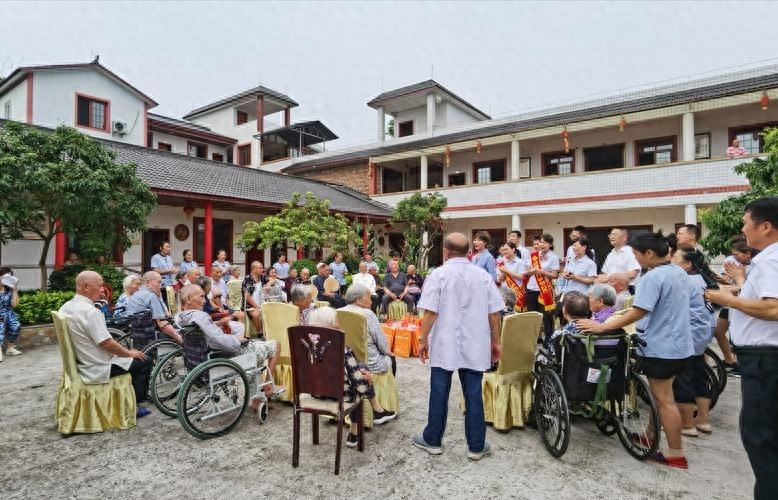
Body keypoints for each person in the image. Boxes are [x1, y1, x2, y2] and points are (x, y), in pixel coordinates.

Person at [578, 231, 693, 469]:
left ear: (649, 253)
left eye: (636, 254)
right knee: (662, 398)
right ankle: (650, 436)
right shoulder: (678, 272)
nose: (636, 259)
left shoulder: (653, 277)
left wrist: (602, 327)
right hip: (680, 344)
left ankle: (675, 453)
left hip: (661, 346)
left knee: (665, 401)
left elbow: (638, 311)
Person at [705, 197, 778, 499]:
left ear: (766, 226)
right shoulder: (766, 259)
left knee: (761, 436)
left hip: (766, 360)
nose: (743, 228)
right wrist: (739, 283)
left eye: (746, 222)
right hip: (762, 359)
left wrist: (728, 300)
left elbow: (773, 308)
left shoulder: (772, 259)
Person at [413, 232, 503, 460]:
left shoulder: (438, 275)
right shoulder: (483, 276)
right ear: (468, 252)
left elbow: (430, 312)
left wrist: (423, 340)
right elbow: (494, 313)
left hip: (445, 342)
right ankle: (476, 445)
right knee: (473, 393)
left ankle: (433, 439)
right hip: (475, 343)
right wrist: (496, 342)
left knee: (439, 392)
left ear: (445, 251)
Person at [58, 271, 152, 417]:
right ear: (86, 287)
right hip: (97, 366)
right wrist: (128, 353)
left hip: (80, 363)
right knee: (144, 361)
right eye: (100, 285)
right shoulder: (91, 312)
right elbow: (107, 343)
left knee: (132, 356)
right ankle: (133, 406)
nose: (103, 290)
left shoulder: (65, 307)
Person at [307, 306, 396, 448]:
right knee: (361, 380)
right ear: (331, 325)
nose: (339, 323)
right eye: (337, 320)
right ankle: (370, 416)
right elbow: (359, 385)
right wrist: (369, 379)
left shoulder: (309, 348)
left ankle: (364, 422)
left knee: (360, 367)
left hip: (316, 393)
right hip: (338, 395)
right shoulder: (342, 349)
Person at [176, 284, 283, 402]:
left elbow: (212, 336)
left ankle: (256, 399)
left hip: (199, 361)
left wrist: (223, 330)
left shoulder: (181, 318)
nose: (204, 300)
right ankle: (268, 386)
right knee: (275, 345)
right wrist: (238, 340)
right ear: (189, 298)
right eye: (201, 297)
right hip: (224, 358)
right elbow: (219, 341)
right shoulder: (200, 316)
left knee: (256, 358)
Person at [672, 248, 716, 437]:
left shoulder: (685, 281)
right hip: (701, 334)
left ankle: (687, 424)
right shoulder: (702, 279)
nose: (671, 259)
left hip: (688, 334)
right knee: (699, 375)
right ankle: (703, 420)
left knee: (682, 378)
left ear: (687, 264)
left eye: (675, 257)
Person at [715, 238, 755, 376]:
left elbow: (745, 288)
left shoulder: (755, 266)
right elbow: (728, 281)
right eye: (733, 254)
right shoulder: (732, 262)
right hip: (730, 303)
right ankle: (730, 361)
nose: (734, 257)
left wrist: (738, 279)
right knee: (718, 331)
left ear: (747, 254)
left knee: (736, 334)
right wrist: (722, 280)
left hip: (743, 304)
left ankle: (739, 366)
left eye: (737, 254)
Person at [340, 283, 397, 379]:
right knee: (391, 358)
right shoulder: (367, 314)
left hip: (347, 362)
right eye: (369, 297)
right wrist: (389, 352)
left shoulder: (337, 312)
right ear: (358, 300)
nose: (371, 302)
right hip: (370, 365)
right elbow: (382, 344)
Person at [123, 271, 182, 344]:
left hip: (136, 334)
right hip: (149, 335)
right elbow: (162, 324)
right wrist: (180, 339)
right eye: (158, 282)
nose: (161, 286)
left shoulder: (135, 295)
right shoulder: (151, 296)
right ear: (148, 283)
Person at [525, 233, 560, 340]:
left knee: (546, 316)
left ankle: (549, 340)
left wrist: (541, 271)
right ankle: (534, 339)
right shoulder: (533, 256)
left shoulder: (554, 257)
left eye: (545, 243)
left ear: (550, 244)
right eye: (541, 242)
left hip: (544, 290)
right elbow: (527, 272)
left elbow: (555, 275)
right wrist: (532, 271)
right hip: (531, 288)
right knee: (532, 315)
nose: (542, 244)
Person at [595, 227, 641, 294]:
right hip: (611, 290)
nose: (611, 237)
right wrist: (600, 278)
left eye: (615, 234)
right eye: (610, 235)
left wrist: (609, 278)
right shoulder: (610, 254)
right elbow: (605, 273)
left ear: (625, 238)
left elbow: (633, 273)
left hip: (627, 290)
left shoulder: (631, 252)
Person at [546, 291, 590, 357]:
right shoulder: (597, 329)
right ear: (588, 310)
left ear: (564, 311)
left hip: (569, 362)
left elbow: (552, 352)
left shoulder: (559, 334)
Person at [496, 242, 528, 311]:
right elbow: (499, 280)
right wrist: (504, 273)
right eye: (503, 250)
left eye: (506, 249)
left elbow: (522, 277)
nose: (504, 252)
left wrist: (506, 270)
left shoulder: (521, 262)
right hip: (504, 294)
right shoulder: (501, 263)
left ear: (513, 249)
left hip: (517, 293)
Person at [0, 267, 21, 360]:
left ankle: (10, 348)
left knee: (16, 325)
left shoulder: (10, 289)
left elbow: (15, 305)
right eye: (6, 277)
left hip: (9, 313)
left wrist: (14, 290)